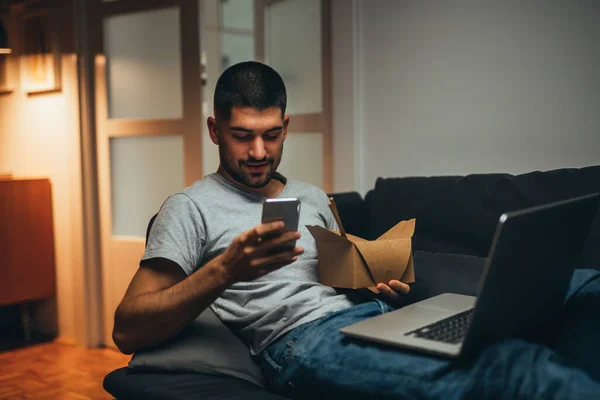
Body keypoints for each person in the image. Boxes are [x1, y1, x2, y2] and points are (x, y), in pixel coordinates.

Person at [113, 61, 600, 399]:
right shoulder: (189, 207)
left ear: (286, 126)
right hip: (303, 342)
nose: (259, 152)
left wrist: (371, 280)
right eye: (242, 136)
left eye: (271, 134)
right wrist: (224, 269)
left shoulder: (308, 194)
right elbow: (127, 327)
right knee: (513, 371)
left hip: (373, 315)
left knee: (583, 287)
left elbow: (332, 272)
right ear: (215, 130)